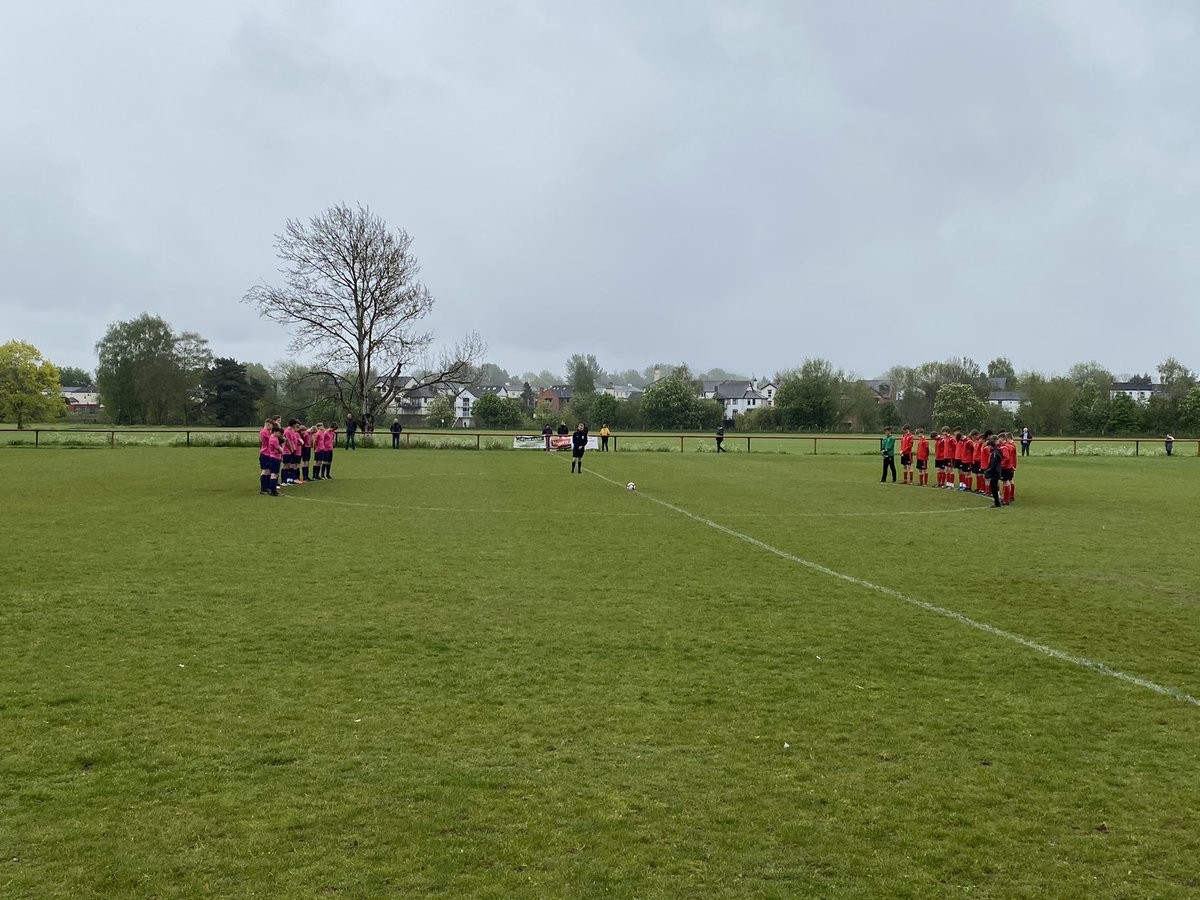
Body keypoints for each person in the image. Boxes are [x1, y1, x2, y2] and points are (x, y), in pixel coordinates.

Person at [985, 438, 1004, 508]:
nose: (988, 447)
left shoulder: (994, 453)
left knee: (993, 487)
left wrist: (989, 470)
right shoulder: (995, 452)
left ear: (991, 446)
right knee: (993, 487)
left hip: (995, 472)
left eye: (988, 446)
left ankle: (997, 502)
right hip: (995, 471)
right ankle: (997, 502)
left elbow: (993, 463)